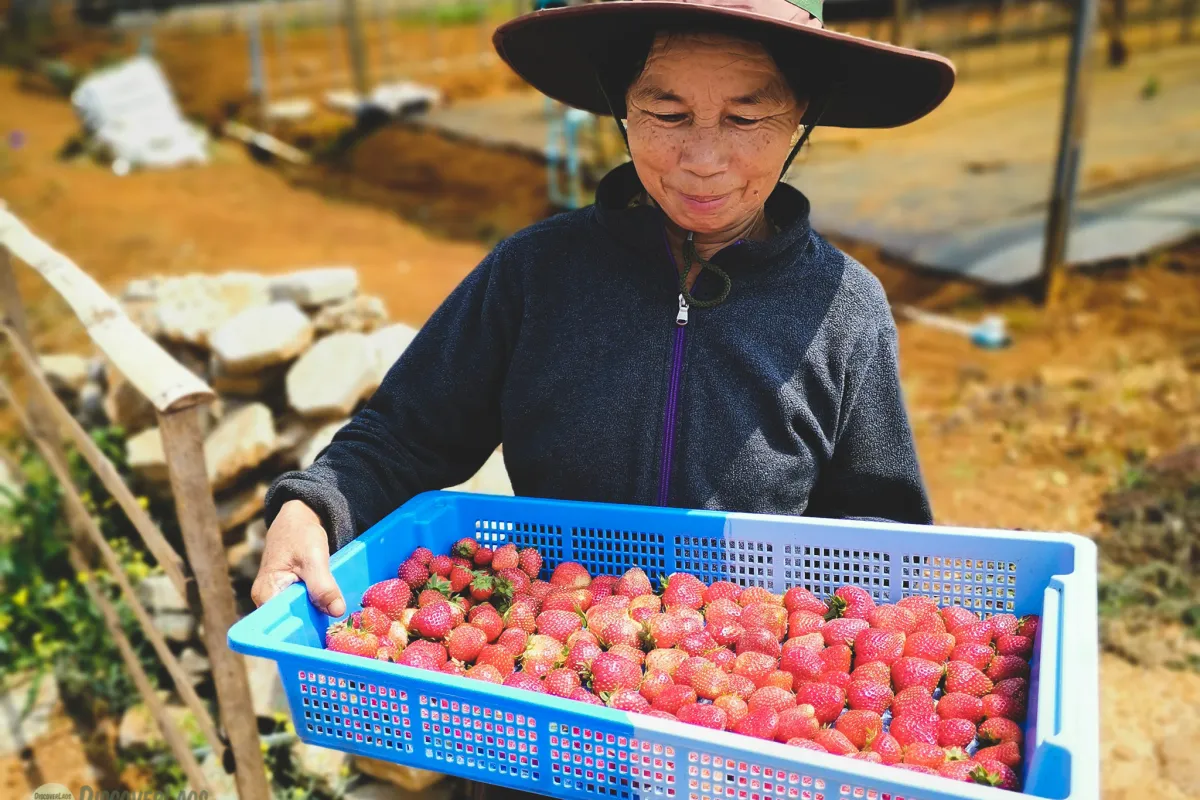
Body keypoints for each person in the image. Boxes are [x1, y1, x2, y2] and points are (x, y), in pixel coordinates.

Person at [251, 0, 956, 619]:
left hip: (740, 706)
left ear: (800, 115)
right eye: (666, 113)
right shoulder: (535, 273)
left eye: (746, 115)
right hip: (543, 675)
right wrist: (311, 507)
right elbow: (405, 433)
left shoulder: (845, 308)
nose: (702, 157)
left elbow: (877, 540)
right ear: (623, 108)